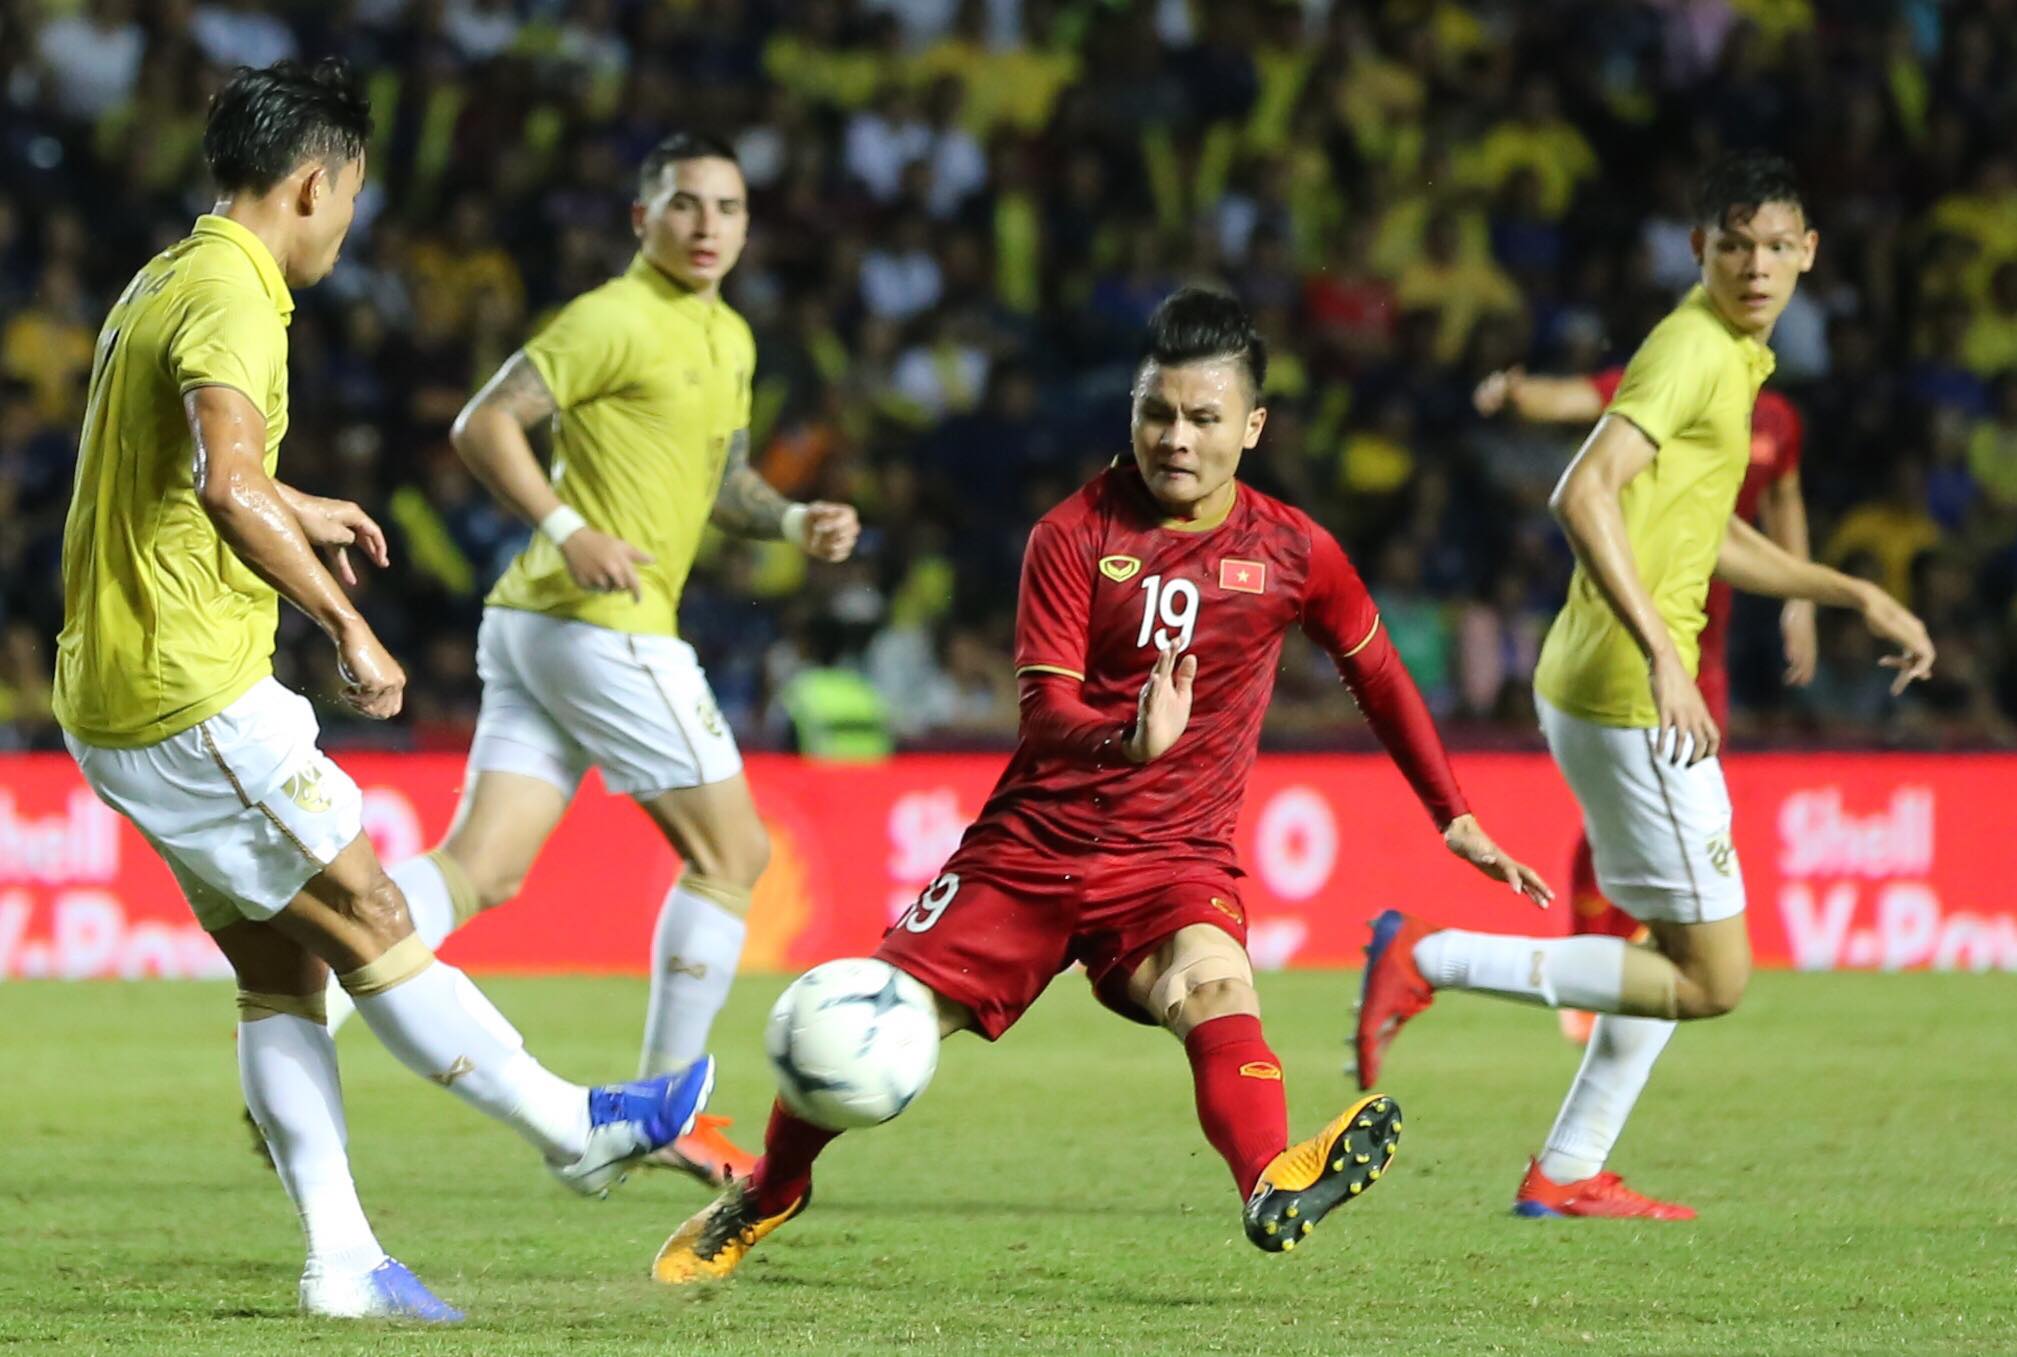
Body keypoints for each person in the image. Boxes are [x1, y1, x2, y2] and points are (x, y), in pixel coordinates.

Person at [651, 288, 1554, 1284]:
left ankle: (1269, 1182)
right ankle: (772, 1188)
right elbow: (1043, 713)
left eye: (1203, 418)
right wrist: (1129, 740)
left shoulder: (1294, 550)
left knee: (1210, 983)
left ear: (1250, 427)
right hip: (1028, 853)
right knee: (869, 1021)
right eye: (1155, 412)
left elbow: (1374, 671)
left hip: (1172, 858)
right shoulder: (1072, 534)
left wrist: (1453, 813)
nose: (1174, 438)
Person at [51, 60, 715, 1322]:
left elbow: (177, 465)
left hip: (116, 690)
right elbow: (224, 484)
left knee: (281, 973)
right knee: (369, 916)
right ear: (314, 180)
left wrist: (296, 499)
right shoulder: (236, 294)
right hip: (190, 687)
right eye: (350, 192)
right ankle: (571, 1127)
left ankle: (343, 1260)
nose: (350, 220)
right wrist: (345, 621)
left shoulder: (164, 275)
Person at [1356, 153, 1935, 1220]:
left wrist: (1846, 588)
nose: (1755, 266)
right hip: (1632, 689)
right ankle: (1425, 957)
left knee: (1664, 950)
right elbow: (1583, 494)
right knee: (1714, 978)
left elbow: (1705, 530)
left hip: (1599, 682)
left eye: (1774, 247)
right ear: (1696, 251)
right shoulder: (1692, 350)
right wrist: (1671, 658)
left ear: (1807, 253)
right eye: (1733, 245)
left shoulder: (1731, 355)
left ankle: (1567, 1170)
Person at [313, 132, 860, 1185]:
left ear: (749, 226)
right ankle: (666, 1107)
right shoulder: (611, 318)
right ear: (639, 219)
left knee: (483, 867)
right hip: (598, 618)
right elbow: (486, 424)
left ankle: (327, 987)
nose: (707, 227)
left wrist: (792, 523)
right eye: (684, 205)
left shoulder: (732, 339)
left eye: (728, 209)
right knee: (733, 856)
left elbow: (726, 480)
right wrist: (571, 528)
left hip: (535, 627)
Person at [1472, 362, 1816, 1043]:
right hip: (1632, 623)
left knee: (1685, 803)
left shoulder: (1777, 417)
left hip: (1704, 642)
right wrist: (1517, 393)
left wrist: (1799, 598)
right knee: (1626, 805)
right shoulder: (1667, 376)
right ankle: (1580, 964)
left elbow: (1783, 501)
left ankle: (1630, 967)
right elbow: (1571, 397)